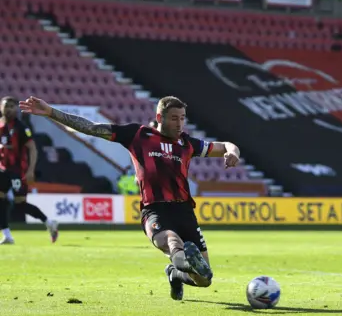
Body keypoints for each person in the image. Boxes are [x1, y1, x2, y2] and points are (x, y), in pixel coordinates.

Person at [19, 95, 241, 301]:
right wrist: (51, 112)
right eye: (174, 118)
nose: (179, 123)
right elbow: (92, 128)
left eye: (182, 118)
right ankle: (182, 261)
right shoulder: (138, 135)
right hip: (155, 211)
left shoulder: (187, 143)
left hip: (184, 212)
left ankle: (175, 273)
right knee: (173, 241)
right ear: (159, 118)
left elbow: (226, 145)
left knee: (204, 280)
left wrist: (233, 153)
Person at [0, 96, 58, 245]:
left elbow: (32, 149)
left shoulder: (21, 127)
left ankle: (49, 222)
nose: (9, 109)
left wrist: (31, 169)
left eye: (12, 106)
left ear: (16, 109)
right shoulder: (0, 126)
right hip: (2, 170)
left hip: (17, 171)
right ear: (1, 108)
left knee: (20, 203)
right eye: (6, 106)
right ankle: (7, 235)